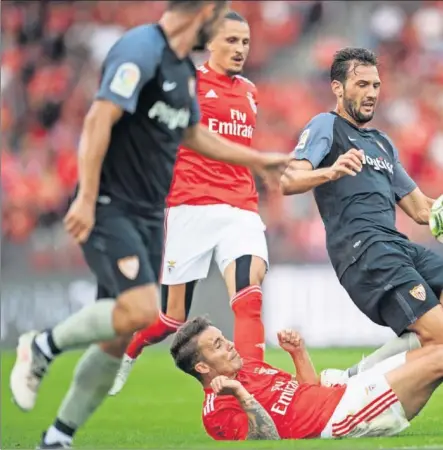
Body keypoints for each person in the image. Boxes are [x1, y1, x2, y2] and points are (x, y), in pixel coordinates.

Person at [9, 2, 290, 448]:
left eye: (243, 40)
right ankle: (43, 345)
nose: (237, 45)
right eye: (226, 33)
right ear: (202, 21)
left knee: (134, 324)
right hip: (131, 203)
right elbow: (101, 116)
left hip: (182, 208)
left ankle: (58, 436)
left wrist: (260, 161)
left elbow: (196, 135)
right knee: (152, 316)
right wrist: (84, 195)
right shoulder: (143, 51)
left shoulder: (186, 73)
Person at [108, 10, 269, 396]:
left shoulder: (250, 91)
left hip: (241, 208)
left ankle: (257, 387)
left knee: (248, 297)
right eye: (231, 40)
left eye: (245, 42)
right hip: (190, 207)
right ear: (209, 41)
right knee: (169, 318)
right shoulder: (186, 82)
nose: (240, 49)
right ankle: (128, 351)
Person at [280, 47, 443, 366]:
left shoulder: (382, 142)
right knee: (438, 337)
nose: (371, 93)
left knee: (435, 337)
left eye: (376, 86)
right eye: (362, 85)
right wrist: (331, 170)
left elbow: (423, 210)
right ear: (338, 88)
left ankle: (353, 377)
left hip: (397, 246)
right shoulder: (325, 125)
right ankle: (354, 383)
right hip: (364, 251)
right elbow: (288, 180)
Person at [170, 316, 443, 441]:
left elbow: (305, 390)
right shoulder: (217, 412)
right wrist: (241, 395)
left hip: (342, 391)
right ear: (203, 368)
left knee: (426, 341)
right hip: (344, 416)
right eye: (218, 345)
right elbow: (266, 440)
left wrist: (298, 354)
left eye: (223, 337)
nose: (229, 344)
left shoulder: (247, 366)